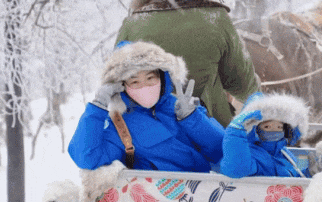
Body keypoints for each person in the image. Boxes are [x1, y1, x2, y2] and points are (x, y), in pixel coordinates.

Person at [115, 0, 259, 128]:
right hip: (210, 130)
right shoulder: (215, 18)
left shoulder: (133, 24)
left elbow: (115, 85)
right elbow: (243, 85)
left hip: (153, 134)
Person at [68, 40, 224, 181]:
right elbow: (87, 158)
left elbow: (221, 150)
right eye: (135, 82)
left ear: (162, 78)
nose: (145, 87)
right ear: (122, 87)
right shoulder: (120, 126)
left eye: (150, 78)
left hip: (203, 191)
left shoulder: (182, 107)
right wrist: (98, 106)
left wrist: (193, 119)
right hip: (159, 199)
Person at [220, 92, 322, 179]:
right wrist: (235, 133)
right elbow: (237, 169)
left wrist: (311, 172)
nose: (274, 131)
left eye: (279, 127)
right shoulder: (251, 153)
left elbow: (293, 178)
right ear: (255, 130)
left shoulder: (285, 154)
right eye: (267, 127)